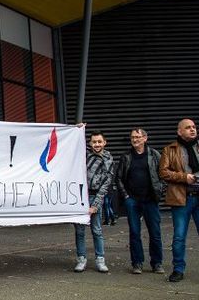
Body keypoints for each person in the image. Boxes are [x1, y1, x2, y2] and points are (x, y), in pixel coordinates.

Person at [116, 128, 164, 274]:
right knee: (134, 233)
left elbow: (163, 174)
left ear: (145, 138)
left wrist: (160, 191)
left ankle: (157, 263)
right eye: (132, 137)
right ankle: (137, 263)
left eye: (138, 137)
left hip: (150, 200)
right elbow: (118, 178)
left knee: (155, 233)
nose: (135, 140)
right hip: (133, 201)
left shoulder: (154, 155)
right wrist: (126, 197)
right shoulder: (126, 156)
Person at [159, 118, 199, 282]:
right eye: (188, 127)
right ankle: (178, 269)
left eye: (194, 127)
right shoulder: (170, 150)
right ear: (179, 132)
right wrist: (185, 177)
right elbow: (163, 172)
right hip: (182, 198)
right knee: (179, 236)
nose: (192, 129)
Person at [74, 130, 113, 273]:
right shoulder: (84, 155)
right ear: (90, 143)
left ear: (104, 142)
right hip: (80, 196)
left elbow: (106, 184)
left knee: (97, 230)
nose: (96, 144)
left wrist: (95, 205)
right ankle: (81, 259)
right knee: (79, 231)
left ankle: (100, 259)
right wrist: (77, 129)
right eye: (94, 142)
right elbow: (72, 144)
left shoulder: (108, 159)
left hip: (95, 196)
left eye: (99, 141)